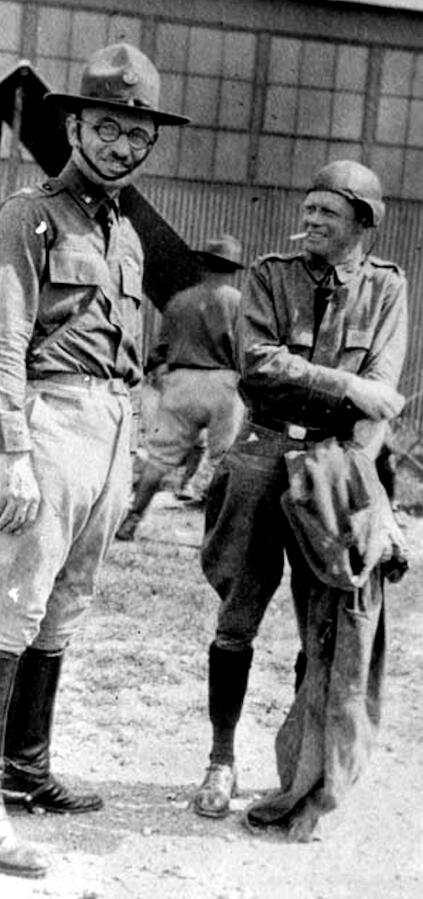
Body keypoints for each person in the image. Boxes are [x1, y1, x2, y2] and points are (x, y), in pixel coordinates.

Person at [0, 43, 188, 878]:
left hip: (108, 430)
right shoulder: (30, 215)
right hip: (45, 427)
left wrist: (131, 437)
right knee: (10, 607)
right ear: (75, 127)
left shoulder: (124, 232)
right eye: (107, 128)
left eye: (137, 134)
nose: (122, 146)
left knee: (62, 606)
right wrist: (10, 450)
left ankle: (25, 770)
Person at [194, 160, 407, 837]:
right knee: (236, 618)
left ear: (362, 223)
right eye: (308, 208)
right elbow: (259, 362)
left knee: (324, 626)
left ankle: (299, 772)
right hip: (261, 456)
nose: (310, 220)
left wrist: (366, 486)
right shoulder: (269, 275)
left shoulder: (387, 288)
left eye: (327, 213)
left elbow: (383, 389)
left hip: (335, 465)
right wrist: (346, 386)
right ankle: (220, 760)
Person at [115, 235, 246, 541]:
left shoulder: (180, 301)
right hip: (223, 384)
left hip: (181, 381)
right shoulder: (239, 302)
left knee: (159, 459)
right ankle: (218, 536)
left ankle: (132, 520)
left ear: (203, 264)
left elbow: (159, 350)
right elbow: (246, 351)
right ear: (233, 269)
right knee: (223, 462)